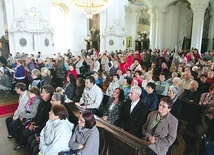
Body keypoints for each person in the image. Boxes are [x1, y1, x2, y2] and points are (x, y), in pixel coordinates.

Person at [26, 85, 54, 155]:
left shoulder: (50, 107)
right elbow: (37, 115)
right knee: (26, 133)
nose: (41, 94)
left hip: (41, 128)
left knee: (31, 141)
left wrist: (37, 128)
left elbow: (46, 123)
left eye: (43, 93)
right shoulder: (42, 103)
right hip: (38, 125)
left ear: (48, 94)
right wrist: (33, 123)